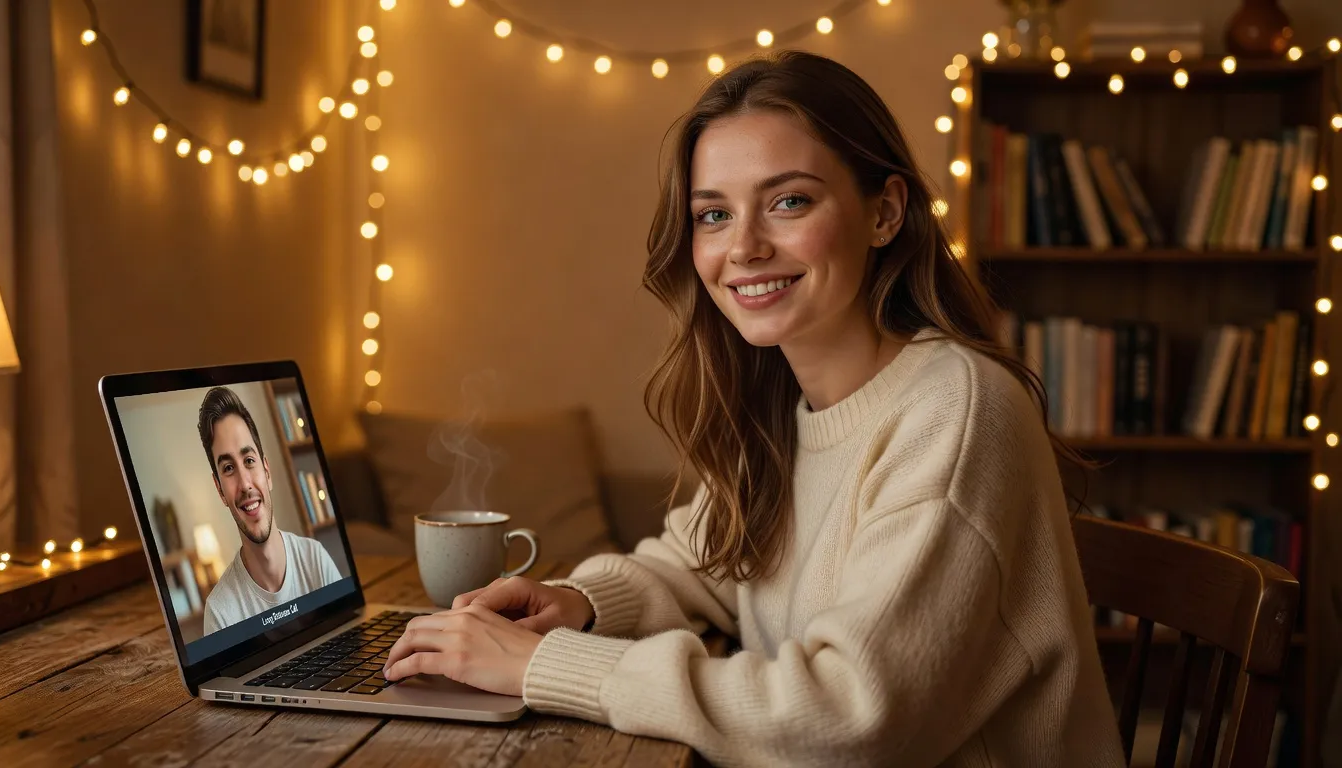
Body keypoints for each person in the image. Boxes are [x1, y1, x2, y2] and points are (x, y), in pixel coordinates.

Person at [383, 51, 1124, 766]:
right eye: (713, 215)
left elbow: (850, 718)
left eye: (789, 201)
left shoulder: (953, 414)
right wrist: (574, 603)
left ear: (885, 212)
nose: (743, 247)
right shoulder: (786, 403)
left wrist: (552, 665)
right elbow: (701, 565)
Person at [197, 386, 342, 636]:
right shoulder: (221, 613)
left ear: (267, 472)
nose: (245, 484)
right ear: (220, 490)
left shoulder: (315, 559)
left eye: (249, 461)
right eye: (229, 468)